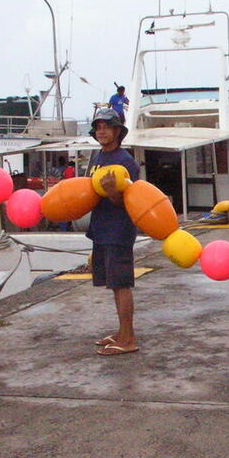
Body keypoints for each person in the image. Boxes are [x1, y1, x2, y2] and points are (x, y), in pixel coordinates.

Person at [86, 108, 141, 356]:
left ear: (117, 131)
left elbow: (130, 201)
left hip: (118, 231)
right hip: (101, 228)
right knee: (112, 284)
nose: (102, 131)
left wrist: (112, 193)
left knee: (121, 284)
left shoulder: (126, 161)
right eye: (98, 127)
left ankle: (128, 339)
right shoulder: (97, 157)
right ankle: (121, 332)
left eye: (106, 126)